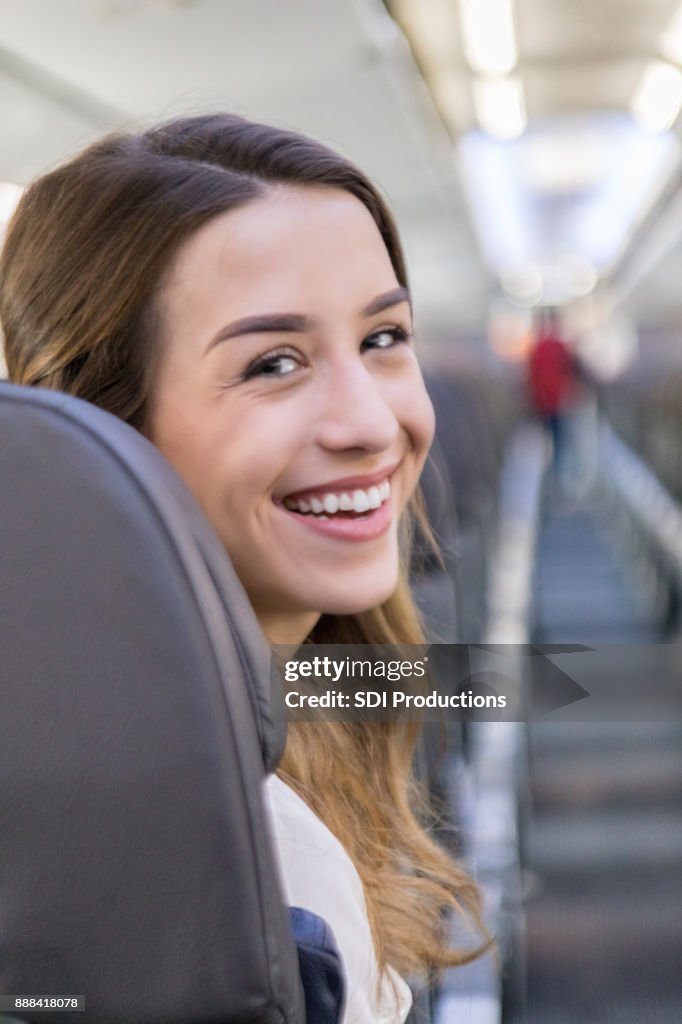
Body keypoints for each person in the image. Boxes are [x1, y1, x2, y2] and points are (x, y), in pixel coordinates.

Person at [0, 113, 486, 1022]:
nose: (372, 425)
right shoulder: (256, 857)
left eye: (384, 338)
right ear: (107, 427)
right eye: (274, 363)